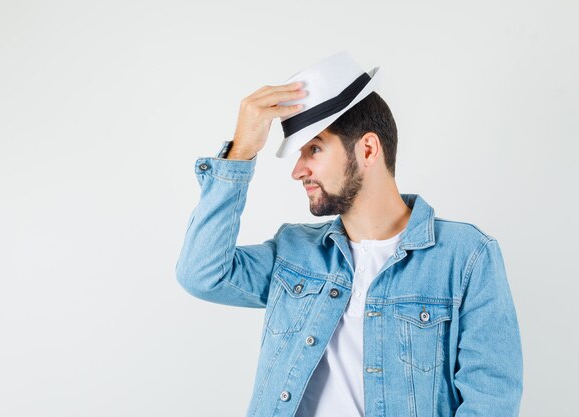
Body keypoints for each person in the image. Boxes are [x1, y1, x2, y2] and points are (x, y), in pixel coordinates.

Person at [175, 51, 523, 417]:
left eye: (314, 149)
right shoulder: (294, 252)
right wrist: (241, 151)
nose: (298, 170)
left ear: (368, 149)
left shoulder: (465, 256)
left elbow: (491, 401)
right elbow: (202, 274)